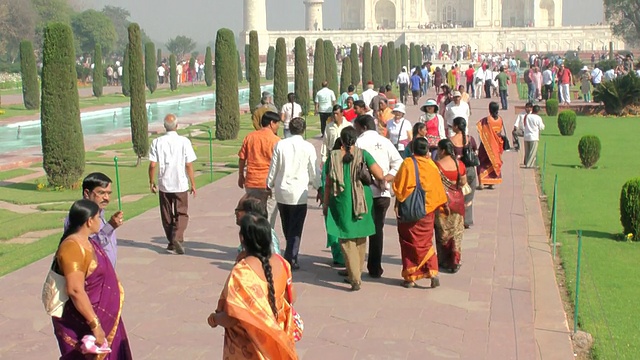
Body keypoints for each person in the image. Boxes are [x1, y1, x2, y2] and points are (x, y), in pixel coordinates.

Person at [208, 214, 298, 360]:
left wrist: (214, 319)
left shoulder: (242, 272)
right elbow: (291, 298)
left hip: (250, 349)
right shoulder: (282, 263)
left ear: (242, 238)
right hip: (277, 344)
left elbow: (232, 318)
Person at [51, 200, 133, 359]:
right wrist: (95, 325)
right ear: (89, 221)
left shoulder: (87, 242)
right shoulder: (72, 247)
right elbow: (75, 290)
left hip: (102, 314)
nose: (99, 221)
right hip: (83, 321)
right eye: (97, 217)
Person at [323, 126, 385, 291]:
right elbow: (379, 174)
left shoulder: (333, 156)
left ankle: (355, 277)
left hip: (341, 201)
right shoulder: (363, 154)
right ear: (355, 140)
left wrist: (326, 202)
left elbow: (328, 183)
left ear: (341, 141)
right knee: (360, 238)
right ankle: (356, 272)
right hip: (362, 200)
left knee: (346, 239)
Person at [392, 138, 448, 288]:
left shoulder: (407, 164)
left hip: (410, 211)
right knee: (425, 243)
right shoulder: (432, 165)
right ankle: (432, 273)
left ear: (412, 149)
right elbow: (437, 189)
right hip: (428, 211)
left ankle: (410, 277)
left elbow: (398, 187)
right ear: (427, 151)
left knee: (408, 242)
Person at [354, 115, 403, 278]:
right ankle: (375, 267)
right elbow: (399, 163)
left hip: (364, 192)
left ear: (363, 127)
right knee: (377, 230)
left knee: (359, 228)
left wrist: (375, 180)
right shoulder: (385, 141)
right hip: (383, 192)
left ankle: (355, 266)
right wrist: (386, 178)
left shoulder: (359, 143)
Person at [267, 118, 317, 270]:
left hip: (282, 191)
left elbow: (273, 168)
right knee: (295, 227)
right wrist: (319, 186)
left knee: (287, 224)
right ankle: (291, 256)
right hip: (299, 192)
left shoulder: (281, 145)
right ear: (304, 129)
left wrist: (268, 184)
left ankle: (290, 253)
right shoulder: (308, 147)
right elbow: (313, 170)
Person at [149, 114, 197, 254]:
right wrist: (193, 183)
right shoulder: (184, 141)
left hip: (164, 183)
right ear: (177, 126)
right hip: (180, 182)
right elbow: (188, 164)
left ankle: (171, 241)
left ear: (165, 126)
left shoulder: (157, 142)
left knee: (166, 213)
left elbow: (152, 165)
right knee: (181, 212)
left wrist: (151, 181)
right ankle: (177, 237)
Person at [66, 173, 123, 268]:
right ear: (87, 193)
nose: (106, 198)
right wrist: (110, 227)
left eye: (109, 193)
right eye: (101, 193)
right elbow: (88, 248)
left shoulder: (99, 213)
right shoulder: (78, 216)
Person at [238, 111, 282, 228]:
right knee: (269, 215)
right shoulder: (276, 141)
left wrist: (241, 175)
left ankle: (252, 239)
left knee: (252, 214)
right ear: (272, 123)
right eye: (277, 123)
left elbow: (242, 158)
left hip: (252, 181)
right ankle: (266, 240)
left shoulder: (250, 137)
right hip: (269, 182)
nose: (278, 126)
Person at [434, 139, 467, 273]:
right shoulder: (460, 164)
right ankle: (455, 259)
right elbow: (463, 182)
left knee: (442, 232)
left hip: (442, 203)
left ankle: (444, 260)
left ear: (442, 150)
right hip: (458, 202)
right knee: (457, 231)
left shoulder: (436, 165)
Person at [318, 138, 346, 267]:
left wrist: (324, 199)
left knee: (333, 227)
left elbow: (324, 182)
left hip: (331, 198)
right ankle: (342, 255)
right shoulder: (340, 161)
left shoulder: (330, 161)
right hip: (340, 199)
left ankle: (338, 255)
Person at [451, 117, 478, 228]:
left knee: (457, 196)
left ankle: (457, 219)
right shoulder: (470, 139)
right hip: (470, 170)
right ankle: (467, 220)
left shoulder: (451, 141)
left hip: (458, 171)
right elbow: (475, 151)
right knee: (469, 196)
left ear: (456, 127)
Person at [476, 102, 505, 189]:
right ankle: (491, 183)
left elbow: (479, 127)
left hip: (486, 145)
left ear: (489, 110)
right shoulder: (500, 119)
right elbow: (499, 132)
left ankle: (481, 183)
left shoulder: (487, 120)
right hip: (496, 146)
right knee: (493, 163)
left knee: (481, 163)